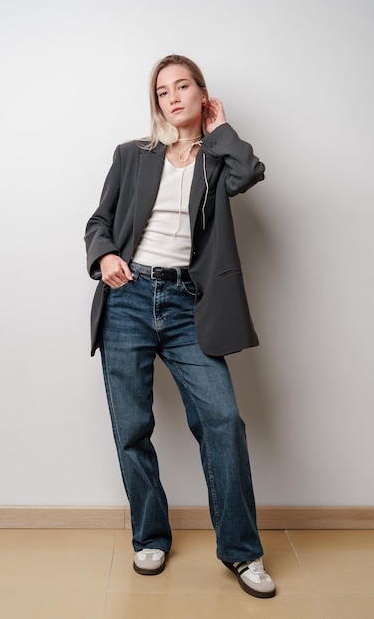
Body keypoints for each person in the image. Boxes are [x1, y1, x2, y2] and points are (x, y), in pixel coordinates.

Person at [84, 54, 275, 599]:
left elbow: (250, 172)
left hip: (190, 304)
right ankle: (150, 536)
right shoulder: (132, 156)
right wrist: (105, 257)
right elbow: (99, 222)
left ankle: (242, 552)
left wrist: (220, 128)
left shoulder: (217, 160)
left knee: (223, 422)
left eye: (183, 86)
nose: (172, 96)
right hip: (129, 298)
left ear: (202, 94)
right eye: (162, 89)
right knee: (132, 427)